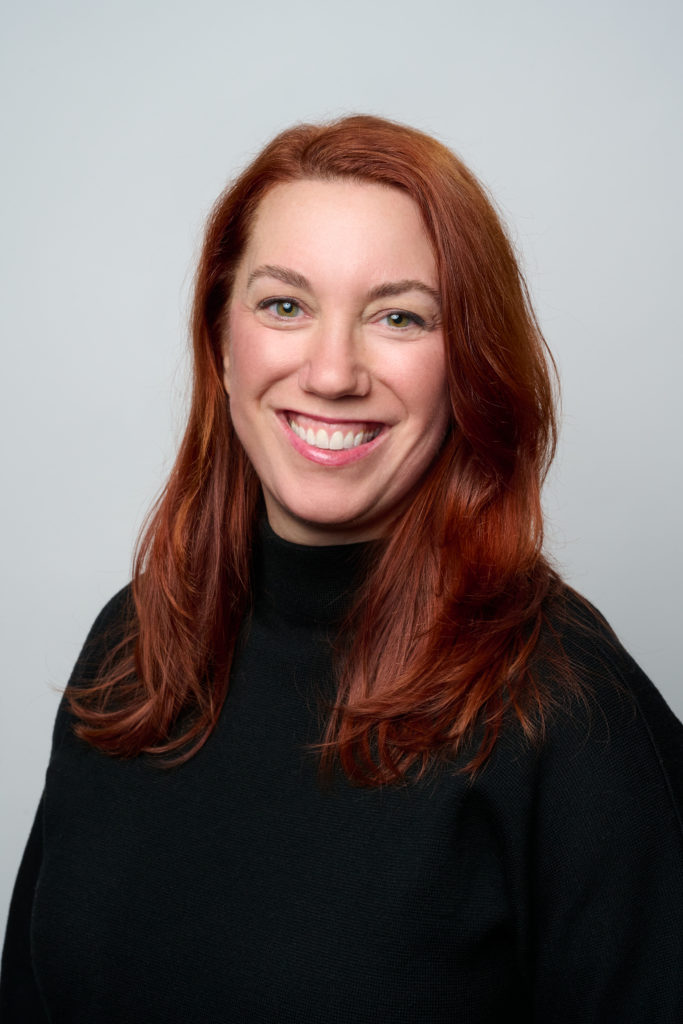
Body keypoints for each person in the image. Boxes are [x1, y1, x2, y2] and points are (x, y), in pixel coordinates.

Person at [2, 114, 682, 1023]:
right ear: (220, 342)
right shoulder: (134, 644)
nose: (331, 372)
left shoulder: (566, 707)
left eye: (398, 316)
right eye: (284, 304)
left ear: (467, 365)